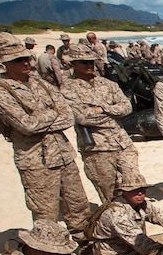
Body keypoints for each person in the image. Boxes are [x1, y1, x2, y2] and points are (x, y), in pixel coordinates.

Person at [0, 32, 91, 239]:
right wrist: (51, 115)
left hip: (62, 154)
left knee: (78, 207)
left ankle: (84, 246)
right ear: (5, 63)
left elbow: (68, 116)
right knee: (46, 214)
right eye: (18, 60)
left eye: (27, 58)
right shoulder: (0, 91)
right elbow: (26, 125)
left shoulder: (41, 83)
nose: (25, 62)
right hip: (36, 161)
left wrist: (42, 118)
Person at [60, 45, 142, 202]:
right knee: (110, 193)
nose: (89, 65)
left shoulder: (107, 84)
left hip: (123, 143)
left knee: (133, 186)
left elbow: (126, 107)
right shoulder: (67, 88)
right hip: (98, 148)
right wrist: (112, 113)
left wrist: (101, 109)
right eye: (84, 62)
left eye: (91, 61)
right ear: (73, 63)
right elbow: (82, 117)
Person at [87, 176, 163, 255]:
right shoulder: (117, 214)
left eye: (143, 190)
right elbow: (142, 244)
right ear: (124, 192)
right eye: (134, 190)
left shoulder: (141, 204)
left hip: (131, 249)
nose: (140, 193)